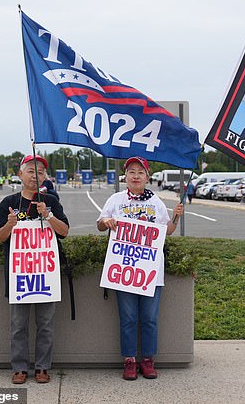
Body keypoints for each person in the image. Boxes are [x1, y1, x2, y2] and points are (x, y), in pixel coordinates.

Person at [96, 156, 184, 381]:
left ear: (147, 176)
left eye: (140, 172)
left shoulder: (155, 202)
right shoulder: (115, 200)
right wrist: (106, 223)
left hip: (151, 272)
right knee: (127, 317)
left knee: (150, 318)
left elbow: (167, 231)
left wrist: (175, 216)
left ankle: (147, 360)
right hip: (124, 271)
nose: (135, 176)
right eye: (131, 172)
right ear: (125, 176)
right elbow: (99, 224)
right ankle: (129, 360)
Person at [0, 155, 70, 385]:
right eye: (31, 171)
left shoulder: (51, 201)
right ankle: (19, 367)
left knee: (46, 324)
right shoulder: (9, 202)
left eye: (41, 173)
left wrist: (48, 214)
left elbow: (64, 231)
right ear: (20, 175)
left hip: (46, 275)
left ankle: (43, 367)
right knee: (18, 325)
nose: (36, 176)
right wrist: (9, 224)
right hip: (20, 276)